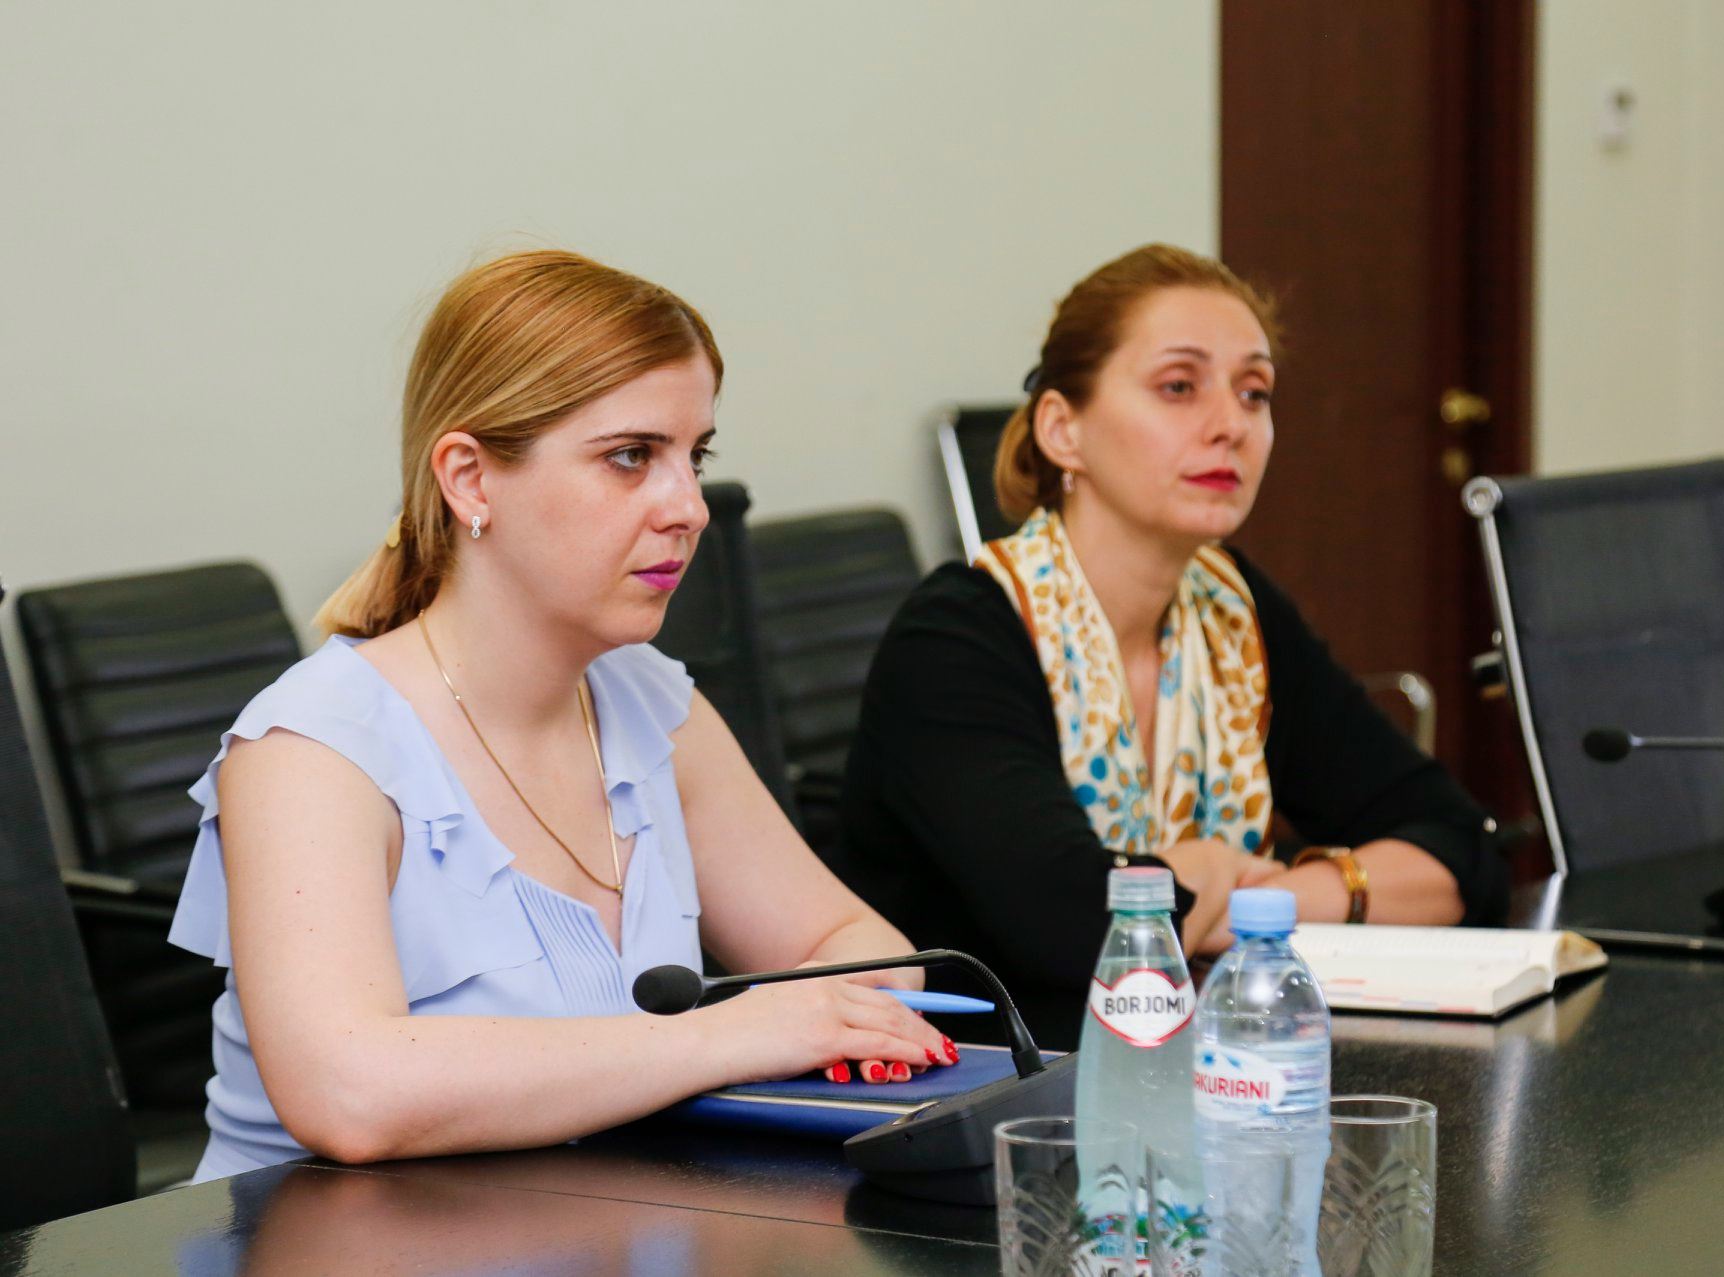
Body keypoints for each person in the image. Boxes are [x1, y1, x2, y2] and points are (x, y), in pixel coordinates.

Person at [168, 251, 954, 1182]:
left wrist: (845, 1006)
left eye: (694, 456)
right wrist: (736, 1034)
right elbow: (350, 1093)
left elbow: (853, 947)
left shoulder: (651, 704)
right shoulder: (312, 749)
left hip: (601, 1222)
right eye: (631, 457)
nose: (690, 508)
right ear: (470, 479)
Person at [837, 244, 1509, 1047]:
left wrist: (1263, 901)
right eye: (1179, 387)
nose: (1231, 425)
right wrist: (1216, 877)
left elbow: (1464, 853)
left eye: (1254, 392)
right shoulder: (956, 638)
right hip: (983, 1093)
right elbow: (1079, 930)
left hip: (1192, 1071)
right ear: (1063, 429)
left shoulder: (1232, 610)